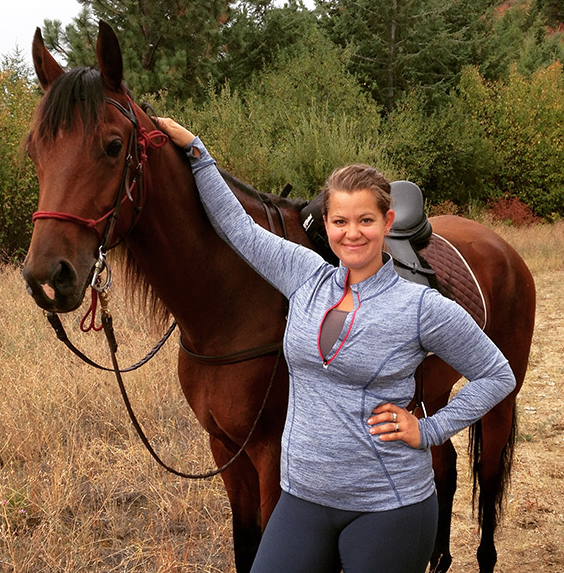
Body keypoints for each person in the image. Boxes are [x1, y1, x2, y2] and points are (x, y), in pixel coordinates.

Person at [157, 118, 516, 573]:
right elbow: (238, 229)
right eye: (340, 221)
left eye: (366, 220)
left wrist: (429, 430)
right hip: (302, 498)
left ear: (387, 222)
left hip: (388, 505)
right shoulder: (306, 276)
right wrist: (197, 153)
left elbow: (496, 374)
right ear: (325, 223)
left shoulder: (421, 306)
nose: (352, 233)